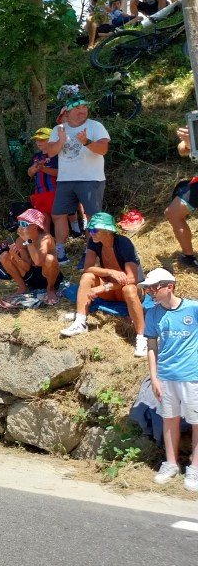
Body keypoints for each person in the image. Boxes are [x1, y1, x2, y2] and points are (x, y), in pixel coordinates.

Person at [141, 268, 198, 491]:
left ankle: (194, 468)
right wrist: (154, 377)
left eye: (154, 288)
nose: (151, 292)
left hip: (192, 375)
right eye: (148, 288)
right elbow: (152, 347)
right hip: (165, 376)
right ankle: (171, 463)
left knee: (196, 422)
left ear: (169, 286)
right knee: (169, 419)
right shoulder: (153, 314)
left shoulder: (193, 308)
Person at [59, 212, 146, 356]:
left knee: (129, 290)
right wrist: (110, 272)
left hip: (128, 290)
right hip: (111, 289)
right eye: (90, 229)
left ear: (108, 231)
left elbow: (133, 279)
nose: (91, 232)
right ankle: (80, 322)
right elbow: (88, 268)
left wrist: (104, 287)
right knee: (87, 277)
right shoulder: (94, 242)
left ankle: (142, 338)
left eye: (94, 230)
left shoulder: (124, 244)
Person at [45, 88, 110, 264]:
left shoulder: (95, 126)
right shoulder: (58, 129)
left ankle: (90, 251)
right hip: (65, 180)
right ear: (67, 112)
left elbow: (103, 149)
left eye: (84, 107)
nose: (82, 111)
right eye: (77, 108)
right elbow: (50, 152)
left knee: (91, 216)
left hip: (91, 179)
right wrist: (60, 140)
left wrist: (86, 142)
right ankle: (60, 251)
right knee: (58, 215)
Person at [0, 208, 64, 305]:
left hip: (49, 275)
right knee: (4, 256)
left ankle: (50, 288)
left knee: (49, 258)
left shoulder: (45, 238)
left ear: (35, 226)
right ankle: (23, 287)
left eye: (24, 225)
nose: (20, 227)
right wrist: (15, 257)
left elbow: (38, 261)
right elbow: (27, 266)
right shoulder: (20, 241)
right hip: (32, 275)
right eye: (19, 223)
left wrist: (28, 241)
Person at [166, 125, 198, 270]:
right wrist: (188, 143)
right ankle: (189, 257)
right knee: (173, 213)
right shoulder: (195, 119)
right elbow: (182, 150)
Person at [27, 126, 59, 230]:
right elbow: (29, 174)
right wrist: (34, 169)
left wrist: (43, 168)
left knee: (57, 217)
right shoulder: (36, 156)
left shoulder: (56, 155)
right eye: (37, 140)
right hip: (40, 192)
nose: (38, 142)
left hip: (54, 191)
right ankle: (45, 242)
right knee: (43, 219)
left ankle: (59, 244)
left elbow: (60, 173)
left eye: (42, 140)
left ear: (52, 139)